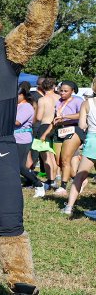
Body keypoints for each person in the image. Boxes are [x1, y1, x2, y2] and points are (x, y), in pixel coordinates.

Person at [62, 79, 96, 217]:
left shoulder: (87, 103)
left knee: (80, 176)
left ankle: (69, 207)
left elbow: (82, 125)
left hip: (92, 141)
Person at [51, 80, 83, 195]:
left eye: (66, 91)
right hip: (59, 130)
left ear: (72, 91)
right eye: (61, 91)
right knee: (59, 161)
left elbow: (81, 114)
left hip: (73, 129)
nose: (62, 93)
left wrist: (65, 117)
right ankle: (78, 179)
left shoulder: (78, 101)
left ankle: (63, 186)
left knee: (65, 160)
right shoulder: (58, 101)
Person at [15, 83, 45, 197]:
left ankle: (38, 184)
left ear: (23, 95)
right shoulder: (18, 106)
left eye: (17, 95)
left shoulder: (26, 107)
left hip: (22, 139)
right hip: (15, 138)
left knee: (19, 166)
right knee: (13, 165)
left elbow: (17, 122)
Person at [31, 76, 59, 189]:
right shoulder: (59, 97)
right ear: (54, 86)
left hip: (45, 126)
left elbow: (38, 117)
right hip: (57, 126)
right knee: (55, 156)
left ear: (42, 87)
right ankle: (56, 177)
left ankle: (50, 180)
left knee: (46, 157)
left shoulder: (42, 100)